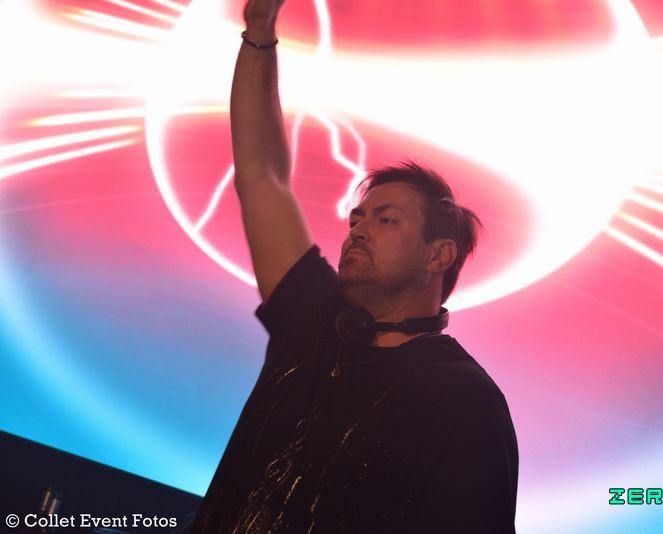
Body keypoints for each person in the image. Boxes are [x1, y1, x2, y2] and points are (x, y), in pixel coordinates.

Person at [189, 1, 518, 532]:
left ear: (439, 255)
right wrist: (259, 31)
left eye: (386, 220)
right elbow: (262, 175)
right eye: (357, 218)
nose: (358, 230)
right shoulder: (314, 321)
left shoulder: (467, 402)